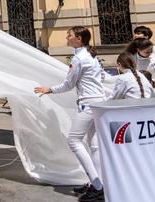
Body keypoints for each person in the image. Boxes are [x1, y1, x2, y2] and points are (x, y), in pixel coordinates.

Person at [34, 26, 105, 201]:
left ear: (79, 38)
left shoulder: (79, 58)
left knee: (74, 141)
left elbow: (68, 84)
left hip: (88, 104)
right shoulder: (91, 56)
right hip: (99, 102)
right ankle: (98, 183)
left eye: (70, 35)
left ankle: (98, 187)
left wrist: (48, 89)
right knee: (94, 145)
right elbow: (101, 77)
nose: (67, 38)